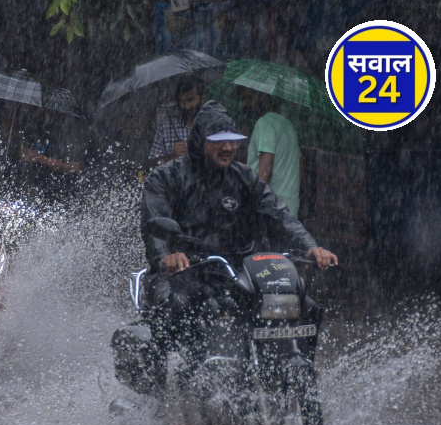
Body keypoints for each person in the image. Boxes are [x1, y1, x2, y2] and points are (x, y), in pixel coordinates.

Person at [140, 101, 337, 404]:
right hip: (183, 272)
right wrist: (165, 255)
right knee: (176, 308)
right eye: (219, 141)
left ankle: (290, 374)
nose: (228, 147)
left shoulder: (245, 178)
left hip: (236, 272)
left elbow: (279, 214)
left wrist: (311, 246)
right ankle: (164, 398)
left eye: (233, 141)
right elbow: (154, 224)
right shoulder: (165, 177)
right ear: (199, 142)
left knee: (303, 305)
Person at [240, 88, 302, 217]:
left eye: (250, 98)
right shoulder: (288, 125)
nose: (244, 104)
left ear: (263, 98)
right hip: (290, 208)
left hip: (271, 210)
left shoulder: (264, 123)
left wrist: (254, 206)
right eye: (243, 99)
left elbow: (265, 171)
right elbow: (301, 168)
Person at [147, 76, 204, 169]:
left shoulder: (211, 126)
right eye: (182, 102)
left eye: (190, 100)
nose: (186, 106)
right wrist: (173, 156)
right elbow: (152, 165)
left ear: (203, 98)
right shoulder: (166, 126)